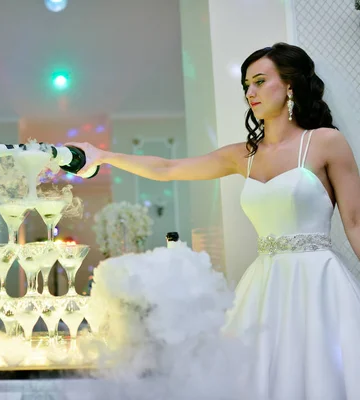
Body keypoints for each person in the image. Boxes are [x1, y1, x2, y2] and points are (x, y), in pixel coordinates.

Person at [67, 43, 360, 399]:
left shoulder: (326, 142)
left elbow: (356, 223)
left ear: (289, 86)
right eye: (246, 85)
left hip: (318, 282)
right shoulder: (244, 155)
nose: (250, 92)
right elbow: (168, 168)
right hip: (264, 284)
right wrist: (105, 156)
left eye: (259, 81)